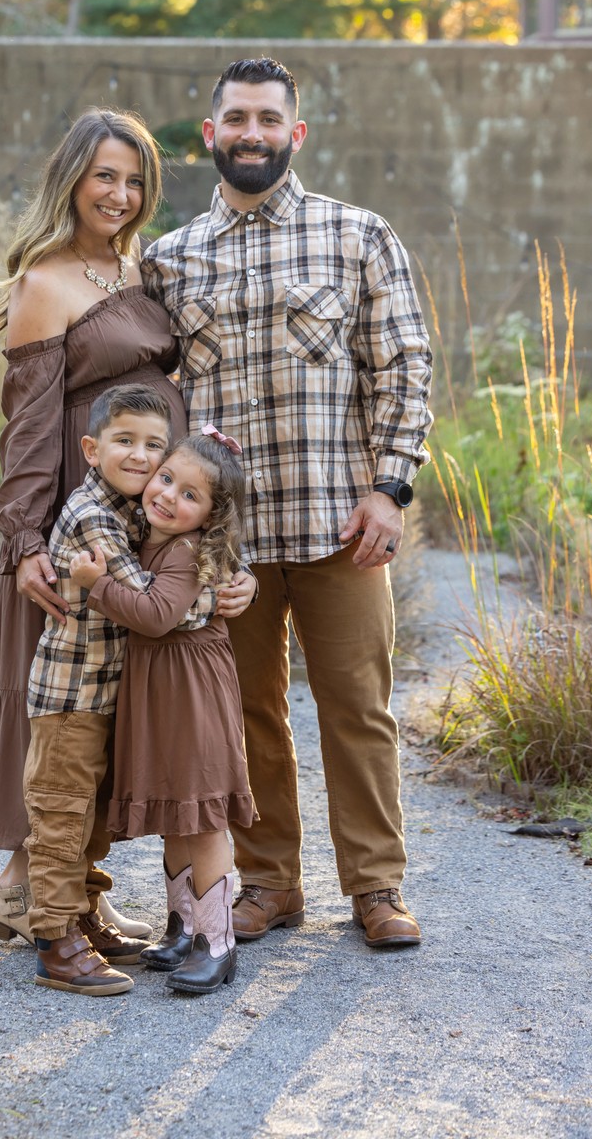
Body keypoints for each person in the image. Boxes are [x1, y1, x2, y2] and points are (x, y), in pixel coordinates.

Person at [141, 57, 434, 949]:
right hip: (226, 541)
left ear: (295, 134)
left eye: (270, 119)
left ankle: (376, 888)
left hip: (341, 526)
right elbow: (155, 401)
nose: (253, 133)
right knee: (247, 713)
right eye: (237, 119)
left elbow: (406, 368)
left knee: (358, 705)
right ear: (211, 135)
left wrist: (390, 491)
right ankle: (268, 882)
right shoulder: (170, 259)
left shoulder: (358, 236)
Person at [0, 107, 189, 946]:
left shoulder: (136, 267)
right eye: (105, 176)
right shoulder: (46, 280)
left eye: (135, 181)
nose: (122, 194)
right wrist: (25, 540)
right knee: (56, 703)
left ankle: (77, 886)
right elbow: (27, 426)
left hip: (130, 514)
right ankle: (23, 888)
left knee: (102, 700)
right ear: (72, 179)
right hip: (71, 517)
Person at [24, 384, 216, 996]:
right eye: (124, 441)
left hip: (107, 698)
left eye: (153, 446)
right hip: (72, 696)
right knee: (61, 817)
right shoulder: (94, 517)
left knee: (92, 820)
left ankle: (84, 916)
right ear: (91, 448)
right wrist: (219, 598)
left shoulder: (135, 510)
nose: (139, 456)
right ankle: (56, 941)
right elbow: (152, 606)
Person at [71, 427, 255, 995]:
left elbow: (154, 615)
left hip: (191, 690)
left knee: (200, 816)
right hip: (163, 687)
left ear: (211, 516)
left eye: (190, 495)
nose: (170, 495)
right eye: (167, 478)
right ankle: (182, 925)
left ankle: (216, 942)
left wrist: (96, 584)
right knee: (178, 811)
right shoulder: (148, 538)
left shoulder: (184, 550)